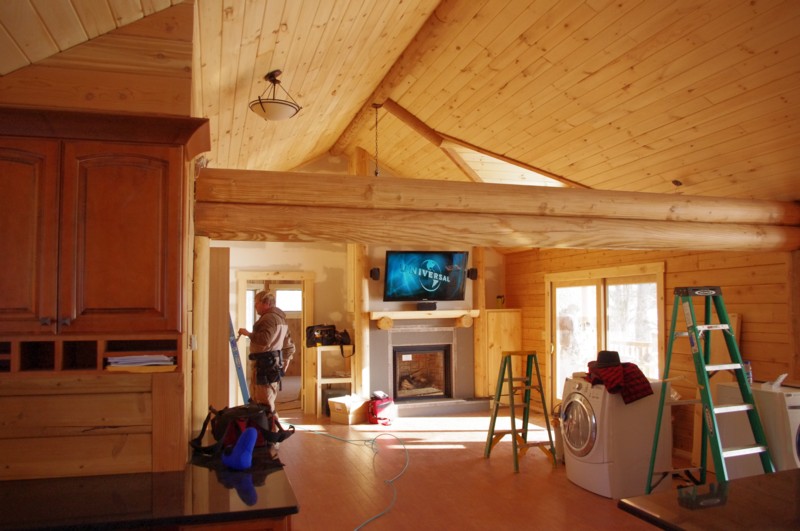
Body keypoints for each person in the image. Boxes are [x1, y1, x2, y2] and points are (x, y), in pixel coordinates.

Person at [238, 291, 295, 413]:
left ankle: (269, 429)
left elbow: (264, 340)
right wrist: (286, 360)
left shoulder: (268, 318)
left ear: (266, 303)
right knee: (264, 398)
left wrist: (248, 334)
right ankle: (264, 428)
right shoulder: (280, 319)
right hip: (272, 364)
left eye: (256, 303)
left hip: (265, 365)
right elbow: (288, 344)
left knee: (264, 402)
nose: (255, 307)